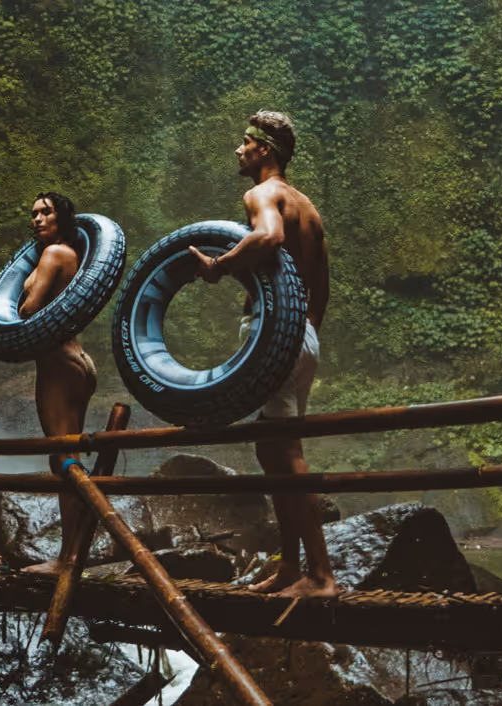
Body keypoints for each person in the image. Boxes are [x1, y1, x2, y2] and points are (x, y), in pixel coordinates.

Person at [189, 110, 338, 599]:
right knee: (271, 449)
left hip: (278, 335)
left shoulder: (262, 195)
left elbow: (269, 237)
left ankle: (322, 576)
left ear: (264, 149)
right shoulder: (308, 207)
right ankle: (292, 566)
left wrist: (220, 266)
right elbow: (321, 288)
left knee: (285, 452)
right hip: (301, 335)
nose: (238, 150)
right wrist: (302, 331)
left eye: (244, 142)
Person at [18, 191, 99, 575]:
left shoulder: (52, 254)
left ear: (61, 219)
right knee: (69, 457)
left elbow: (31, 309)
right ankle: (76, 550)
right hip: (78, 361)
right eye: (34, 213)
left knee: (64, 460)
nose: (36, 219)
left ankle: (68, 558)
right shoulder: (70, 255)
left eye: (45, 212)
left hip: (57, 365)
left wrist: (20, 307)